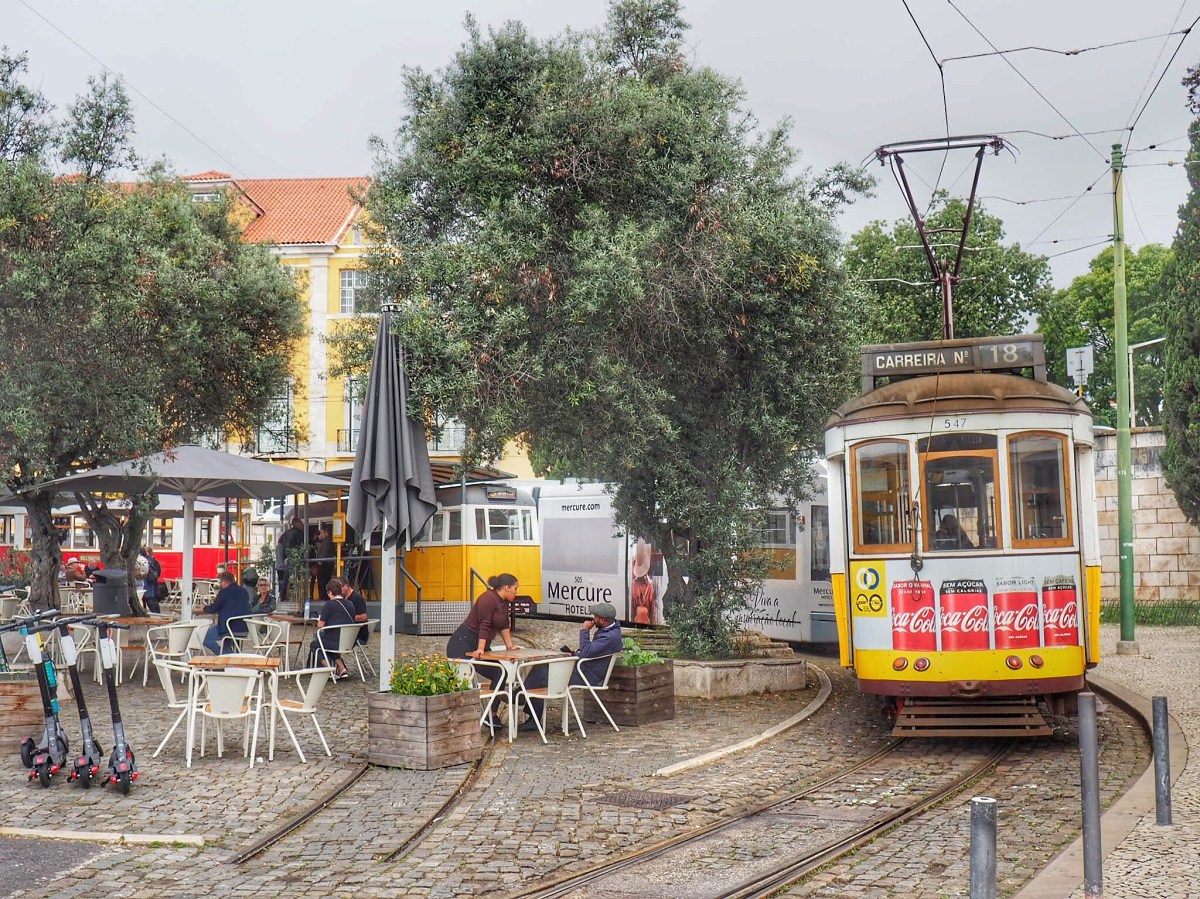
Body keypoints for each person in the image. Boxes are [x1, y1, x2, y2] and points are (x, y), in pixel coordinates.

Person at [519, 601, 623, 732]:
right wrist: (575, 654)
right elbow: (591, 654)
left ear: (602, 619)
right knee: (543, 667)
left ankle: (523, 697)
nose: (593, 619)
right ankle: (527, 705)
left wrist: (584, 630)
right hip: (585, 669)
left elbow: (586, 653)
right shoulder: (609, 631)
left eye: (595, 617)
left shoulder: (610, 636)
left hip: (588, 676)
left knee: (544, 670)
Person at [310, 577, 355, 679]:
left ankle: (329, 669)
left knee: (315, 644)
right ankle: (341, 667)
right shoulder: (350, 604)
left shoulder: (329, 605)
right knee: (328, 642)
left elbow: (321, 625)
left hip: (335, 643)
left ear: (330, 592)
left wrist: (320, 621)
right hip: (349, 642)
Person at [202, 570, 252, 654]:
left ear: (224, 582)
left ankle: (223, 655)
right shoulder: (243, 591)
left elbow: (213, 609)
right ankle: (229, 655)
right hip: (244, 627)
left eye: (220, 582)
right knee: (226, 639)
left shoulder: (224, 592)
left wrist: (205, 608)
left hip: (228, 627)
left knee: (203, 636)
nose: (220, 584)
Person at [275, 517, 305, 604]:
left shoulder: (286, 533)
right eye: (300, 522)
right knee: (291, 577)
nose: (302, 524)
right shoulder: (297, 533)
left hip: (286, 559)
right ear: (297, 523)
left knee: (286, 578)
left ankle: (283, 596)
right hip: (292, 559)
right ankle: (288, 596)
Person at [630, 539, 657, 626]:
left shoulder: (634, 585)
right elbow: (652, 609)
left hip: (638, 619)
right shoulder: (649, 585)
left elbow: (632, 608)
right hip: (645, 619)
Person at [340, 579, 370, 645]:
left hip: (358, 636)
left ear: (346, 586)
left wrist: (345, 618)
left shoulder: (357, 598)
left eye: (339, 588)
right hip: (348, 633)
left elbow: (363, 617)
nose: (337, 591)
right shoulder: (343, 598)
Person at [140, 546, 163, 614]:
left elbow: (144, 572)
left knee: (148, 599)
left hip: (146, 582)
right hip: (152, 582)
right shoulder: (151, 560)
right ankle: (157, 613)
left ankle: (155, 614)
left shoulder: (144, 561)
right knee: (151, 598)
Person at [314, 527, 335, 599]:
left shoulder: (327, 542)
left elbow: (324, 553)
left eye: (322, 533)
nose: (320, 535)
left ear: (326, 533)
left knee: (322, 581)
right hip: (327, 563)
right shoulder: (326, 542)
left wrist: (319, 562)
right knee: (325, 581)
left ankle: (323, 596)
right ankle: (324, 596)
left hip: (325, 564)